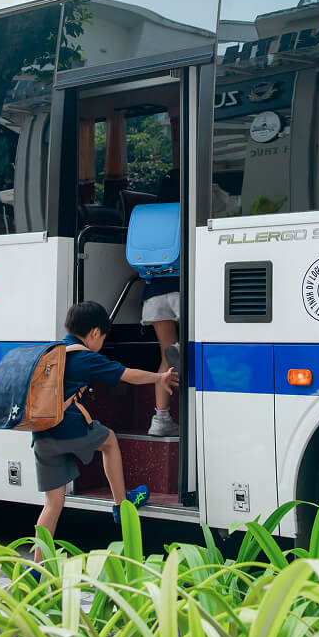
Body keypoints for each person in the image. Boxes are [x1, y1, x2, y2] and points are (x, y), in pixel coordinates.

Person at [33, 300, 179, 546]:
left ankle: (37, 567)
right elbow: (128, 374)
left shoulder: (52, 351)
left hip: (41, 435)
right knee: (109, 441)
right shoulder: (85, 357)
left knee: (53, 504)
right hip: (67, 428)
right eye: (102, 338)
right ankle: (120, 503)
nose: (101, 345)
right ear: (94, 333)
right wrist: (160, 377)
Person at [144, 167, 180, 436]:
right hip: (182, 289)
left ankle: (160, 420)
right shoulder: (190, 208)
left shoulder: (151, 217)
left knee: (166, 355)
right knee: (196, 351)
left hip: (154, 293)